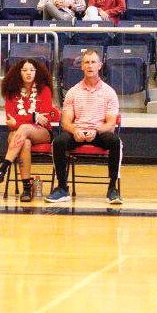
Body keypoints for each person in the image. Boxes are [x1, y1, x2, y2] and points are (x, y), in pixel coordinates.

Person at [46, 49, 122, 204]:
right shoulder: (73, 92)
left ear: (100, 65)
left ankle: (112, 188)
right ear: (81, 66)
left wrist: (96, 131)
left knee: (115, 142)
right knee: (58, 142)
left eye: (93, 62)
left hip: (99, 132)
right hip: (78, 131)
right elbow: (66, 122)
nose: (90, 66)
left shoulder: (109, 92)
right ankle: (62, 188)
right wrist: (75, 130)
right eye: (86, 62)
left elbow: (111, 124)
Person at [0, 60, 54, 202]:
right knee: (25, 143)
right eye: (25, 70)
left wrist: (21, 120)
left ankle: (3, 168)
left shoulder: (45, 90)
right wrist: (34, 117)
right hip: (18, 133)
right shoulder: (11, 92)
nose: (29, 73)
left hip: (42, 132)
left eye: (32, 70)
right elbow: (10, 122)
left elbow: (46, 118)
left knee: (23, 128)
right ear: (18, 73)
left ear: (37, 72)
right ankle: (26, 188)